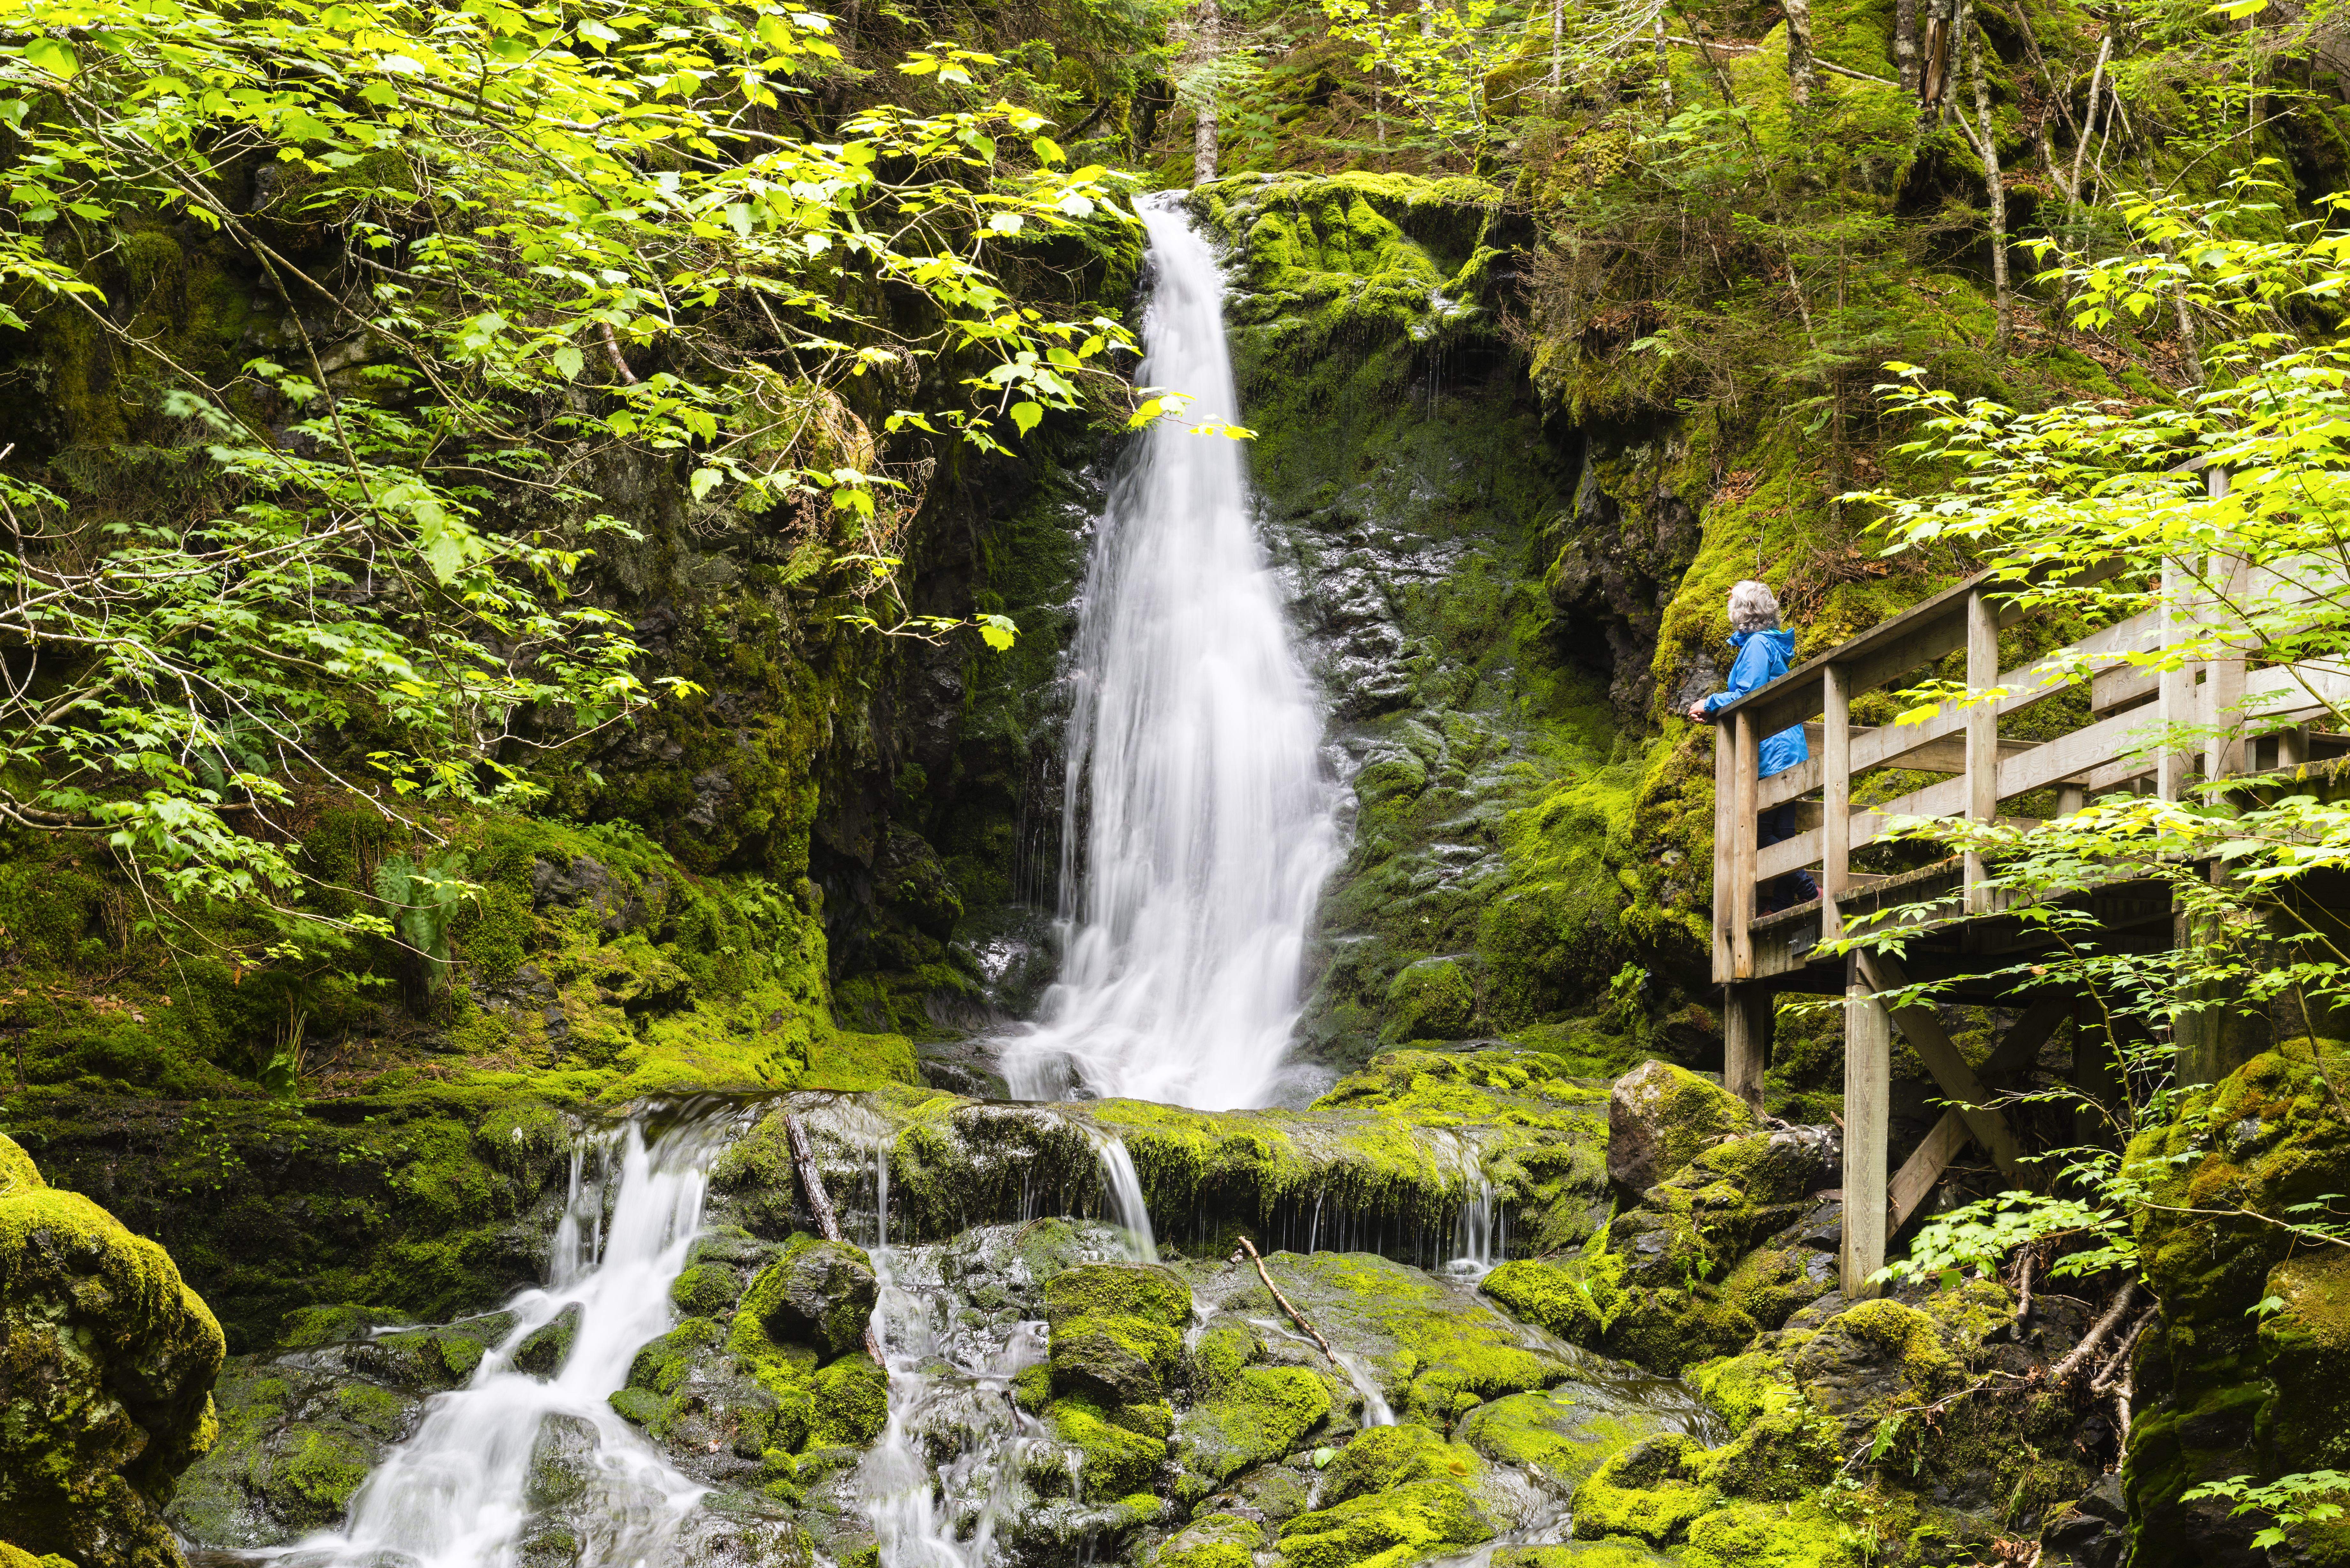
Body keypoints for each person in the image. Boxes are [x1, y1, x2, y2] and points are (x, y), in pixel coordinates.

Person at [1687, 580, 1819, 913]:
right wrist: (1718, 715)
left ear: (1742, 611)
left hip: (1773, 751)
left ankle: (1807, 889)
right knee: (1782, 831)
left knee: (1757, 833)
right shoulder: (1767, 643)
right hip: (1786, 746)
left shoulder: (1758, 645)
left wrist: (1709, 702)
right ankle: (1780, 904)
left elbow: (1749, 692)